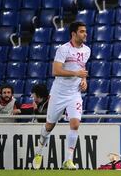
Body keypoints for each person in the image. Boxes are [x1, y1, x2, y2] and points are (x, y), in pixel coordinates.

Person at [32, 21, 90, 170]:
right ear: (74, 33)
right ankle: (39, 152)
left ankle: (68, 160)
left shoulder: (87, 50)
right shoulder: (63, 49)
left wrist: (83, 80)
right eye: (82, 31)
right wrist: (76, 74)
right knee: (49, 126)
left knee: (75, 124)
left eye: (85, 31)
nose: (85, 34)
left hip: (74, 94)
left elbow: (81, 67)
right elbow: (56, 71)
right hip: (58, 93)